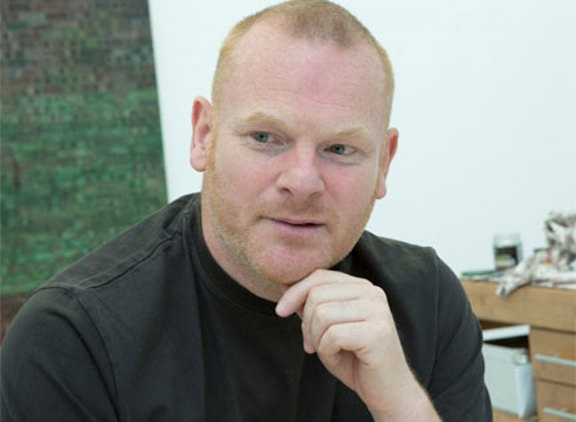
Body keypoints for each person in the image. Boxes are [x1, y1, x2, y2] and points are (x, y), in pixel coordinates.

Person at [1, 0, 492, 420]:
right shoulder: (72, 338)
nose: (303, 182)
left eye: (340, 149)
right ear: (204, 137)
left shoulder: (428, 301)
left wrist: (400, 403)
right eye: (265, 137)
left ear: (384, 163)